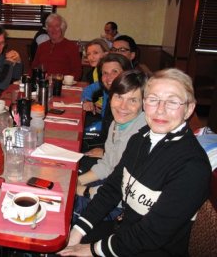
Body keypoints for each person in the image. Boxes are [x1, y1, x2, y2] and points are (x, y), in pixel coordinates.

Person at [59, 68, 211, 257]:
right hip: (123, 233)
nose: (160, 109)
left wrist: (92, 249)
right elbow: (112, 189)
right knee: (61, 239)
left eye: (172, 102)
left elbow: (151, 234)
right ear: (145, 104)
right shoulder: (140, 139)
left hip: (152, 250)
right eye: (153, 99)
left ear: (189, 109)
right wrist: (77, 232)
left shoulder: (192, 166)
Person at [73, 70, 147, 224]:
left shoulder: (140, 137)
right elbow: (107, 164)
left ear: (144, 104)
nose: (122, 106)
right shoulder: (117, 123)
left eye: (133, 100)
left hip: (122, 207)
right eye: (119, 97)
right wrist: (77, 181)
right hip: (108, 187)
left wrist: (85, 191)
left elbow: (124, 190)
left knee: (63, 209)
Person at [81, 54, 132, 156]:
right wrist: (87, 100)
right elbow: (88, 89)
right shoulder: (109, 91)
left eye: (115, 71)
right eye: (105, 73)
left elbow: (131, 145)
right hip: (105, 141)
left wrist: (104, 153)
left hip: (113, 154)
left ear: (127, 73)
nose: (109, 77)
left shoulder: (130, 103)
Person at [32, 13, 82, 81]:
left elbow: (77, 72)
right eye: (50, 26)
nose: (53, 30)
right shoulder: (42, 47)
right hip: (43, 85)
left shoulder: (71, 47)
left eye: (57, 26)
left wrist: (60, 78)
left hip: (63, 85)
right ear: (47, 29)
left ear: (62, 28)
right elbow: (33, 68)